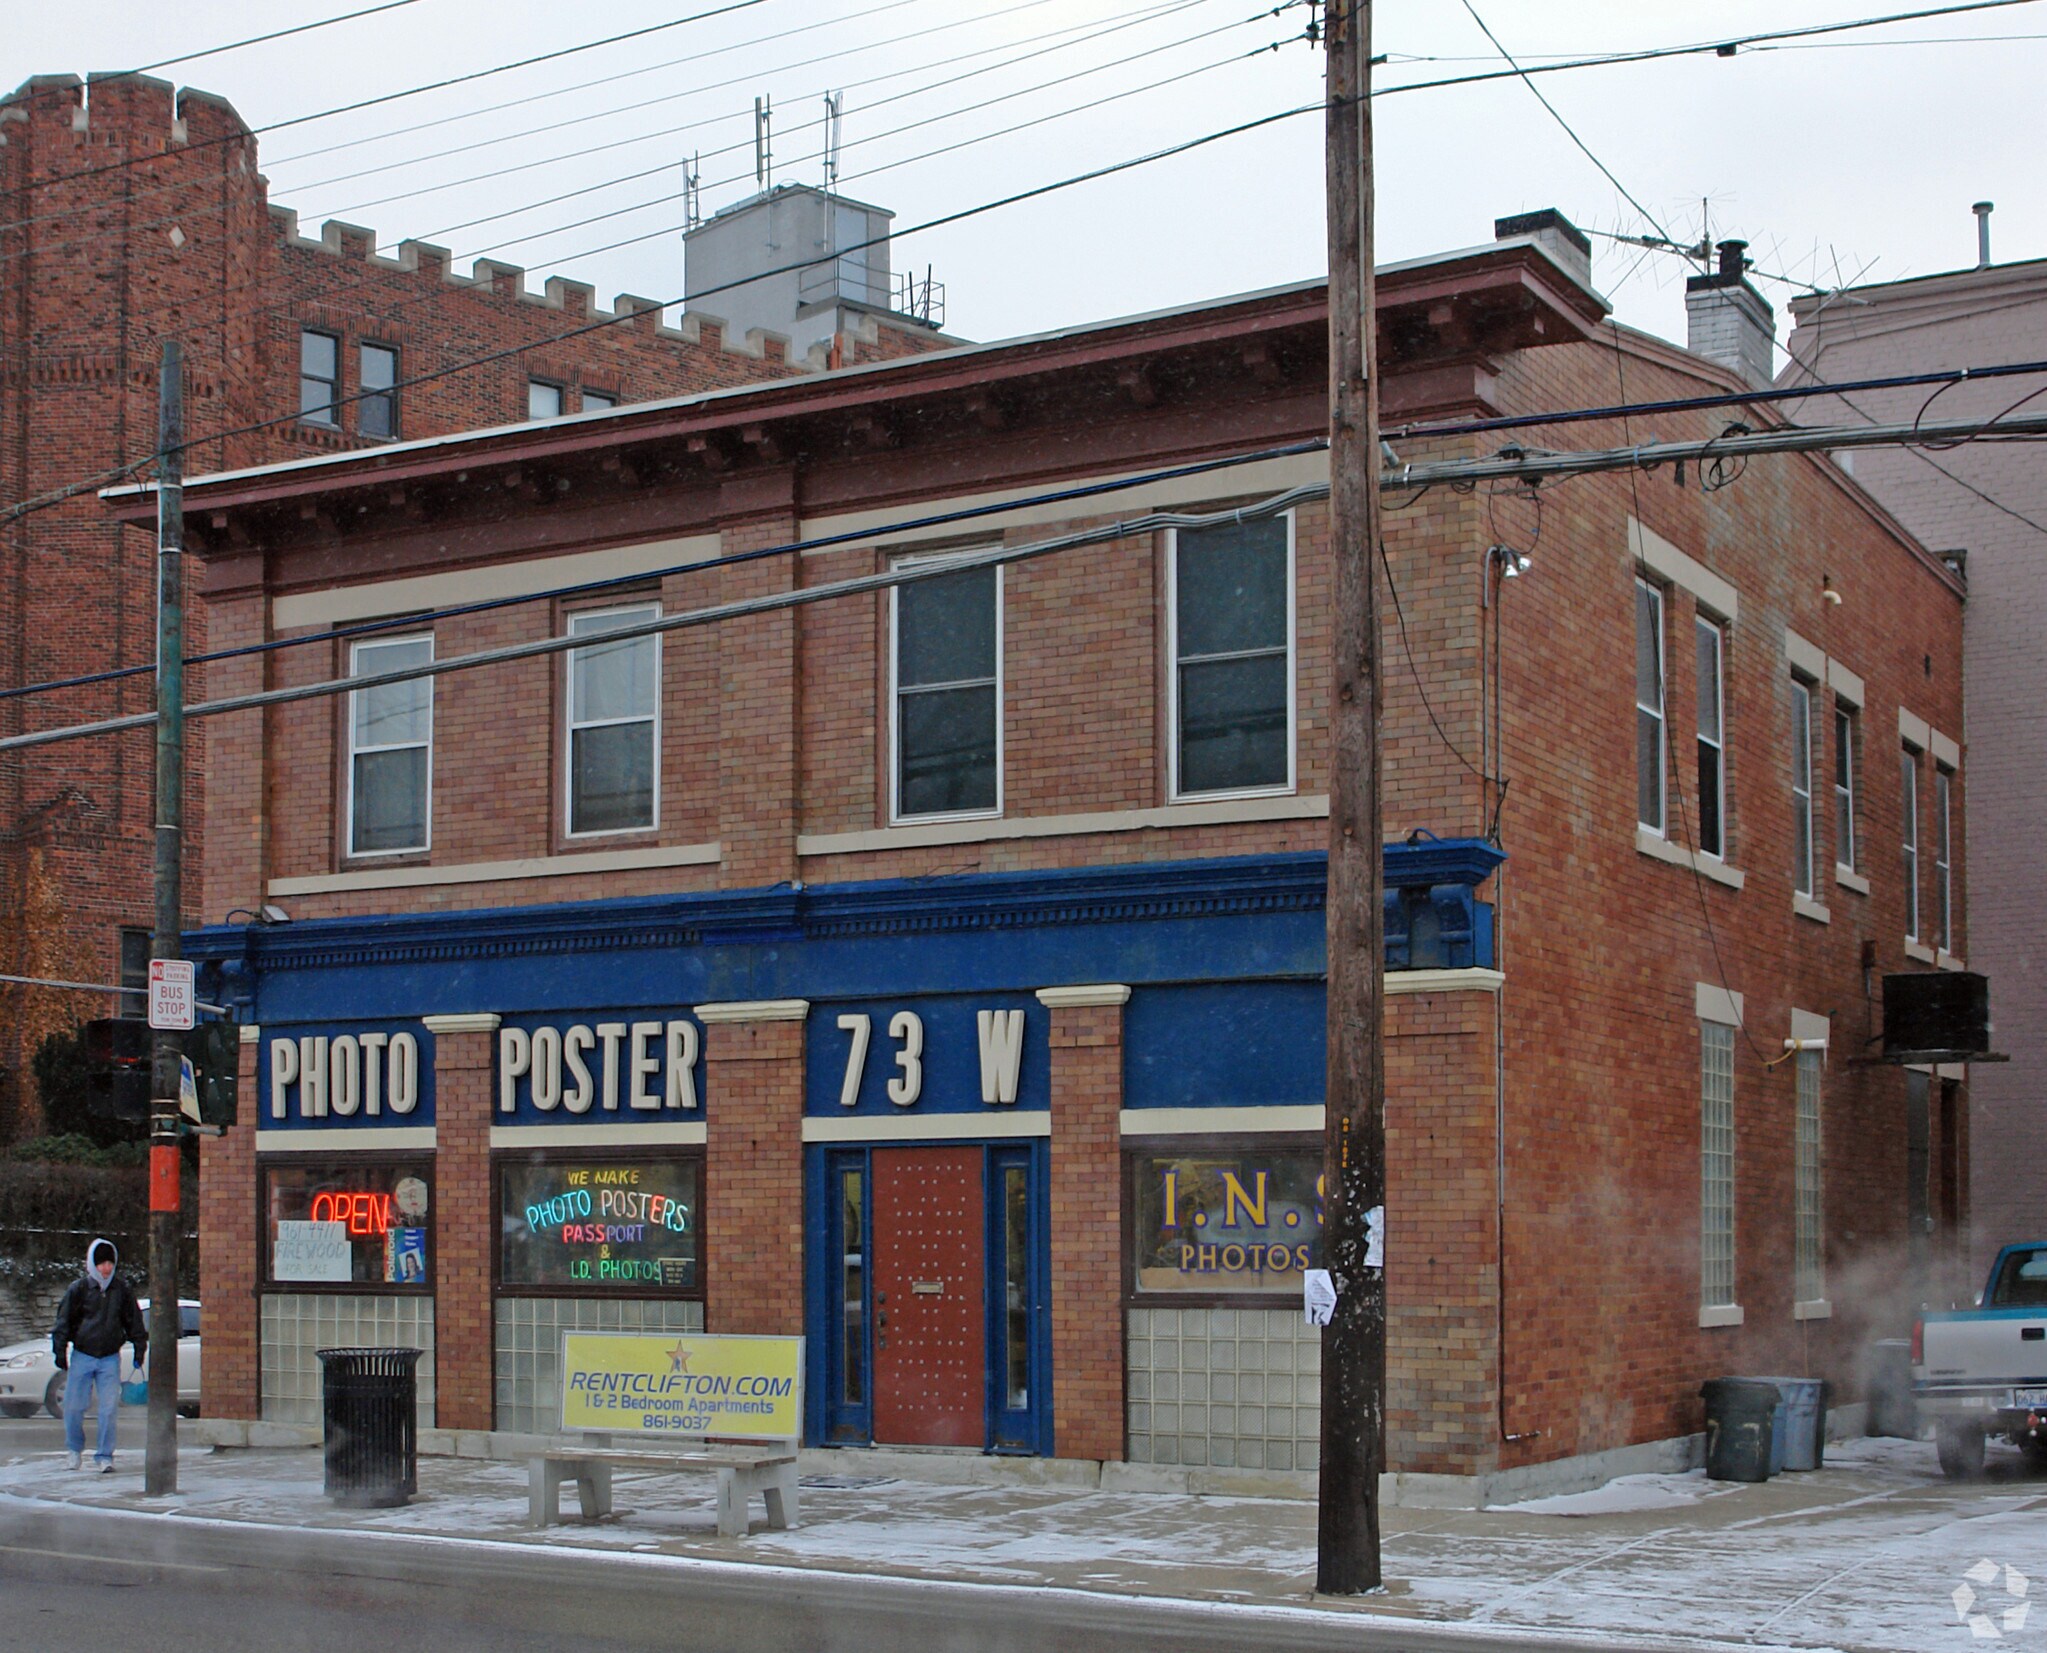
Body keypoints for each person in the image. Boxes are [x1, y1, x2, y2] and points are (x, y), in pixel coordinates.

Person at [51, 1238, 147, 1473]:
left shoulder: (121, 1290)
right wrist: (60, 1351)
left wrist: (139, 1347)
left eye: (110, 1263)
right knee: (74, 1406)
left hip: (109, 1357)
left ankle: (105, 1455)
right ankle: (74, 1450)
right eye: (101, 1263)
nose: (106, 1268)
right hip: (83, 1354)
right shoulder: (79, 1289)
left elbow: (133, 1320)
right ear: (92, 1264)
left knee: (108, 1408)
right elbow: (63, 1321)